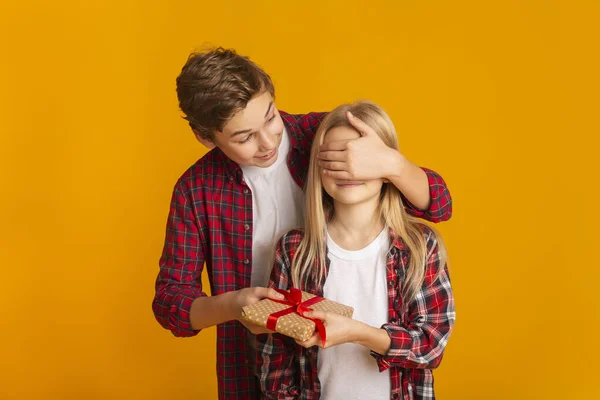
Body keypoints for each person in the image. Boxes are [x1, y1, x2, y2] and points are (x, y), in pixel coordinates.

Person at [152, 48, 453, 400]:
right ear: (207, 138)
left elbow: (439, 205)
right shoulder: (197, 190)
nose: (267, 142)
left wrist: (392, 164)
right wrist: (235, 306)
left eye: (270, 117)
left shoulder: (324, 137)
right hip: (257, 369)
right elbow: (171, 302)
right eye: (244, 137)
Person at [257, 101, 455, 400]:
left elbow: (431, 345)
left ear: (387, 167)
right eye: (335, 159)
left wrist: (359, 333)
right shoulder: (294, 251)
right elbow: (277, 356)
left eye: (362, 160)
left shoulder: (419, 247)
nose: (349, 169)